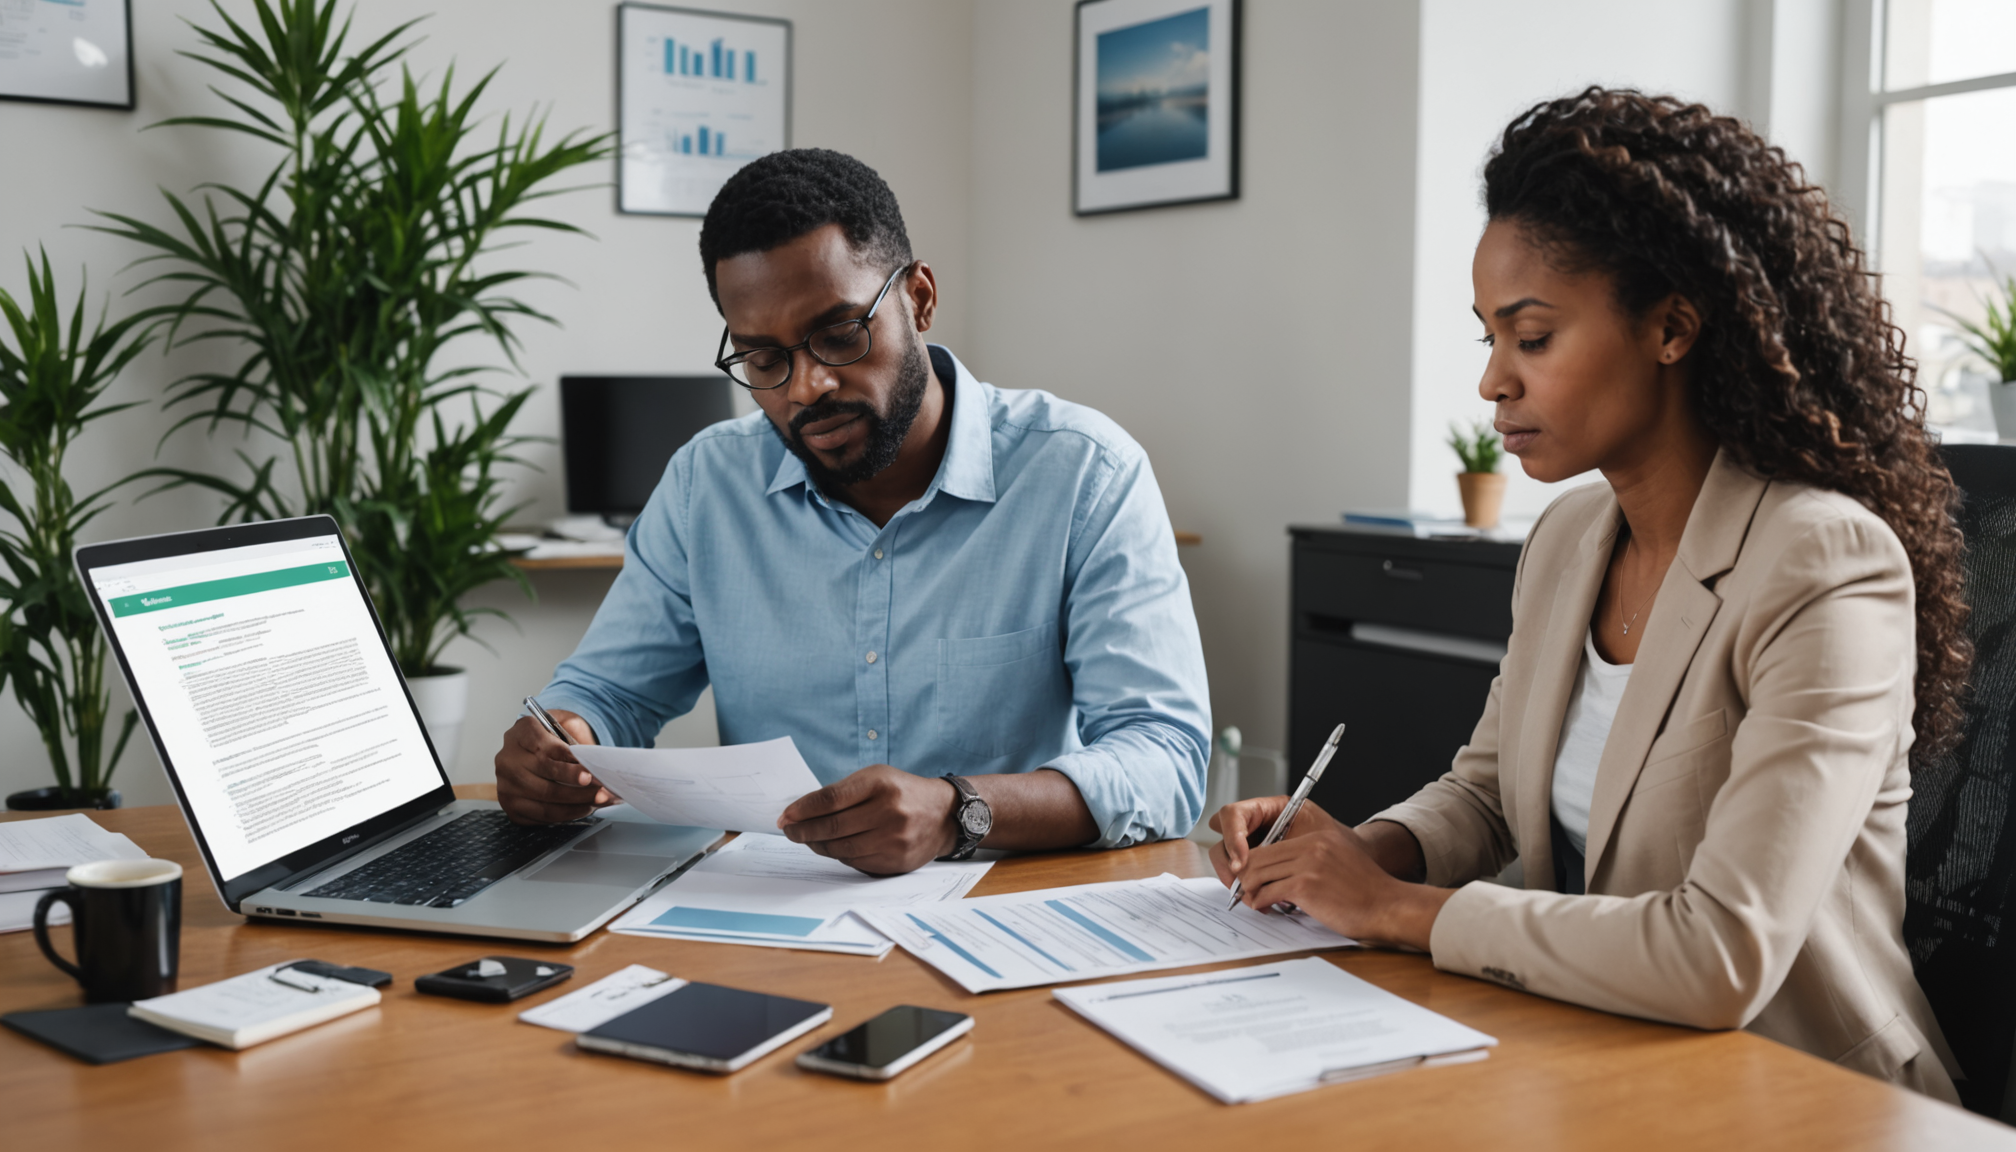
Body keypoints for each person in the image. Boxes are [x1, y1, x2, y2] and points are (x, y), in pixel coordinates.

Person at [1210, 89, 1966, 1099]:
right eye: (1487, 338)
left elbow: (1721, 954)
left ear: (1672, 327)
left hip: (1803, 1092)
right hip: (1607, 1060)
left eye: (1532, 337)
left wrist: (1396, 909)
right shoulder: (1570, 538)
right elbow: (1486, 792)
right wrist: (1348, 853)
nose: (1491, 384)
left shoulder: (1824, 564)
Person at [496, 148, 1210, 875]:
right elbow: (609, 692)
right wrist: (562, 741)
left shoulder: (1084, 473)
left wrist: (956, 810)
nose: (807, 387)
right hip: (768, 914)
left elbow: (1165, 757)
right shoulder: (705, 485)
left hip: (1001, 908)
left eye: (839, 334)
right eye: (763, 360)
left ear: (920, 299)